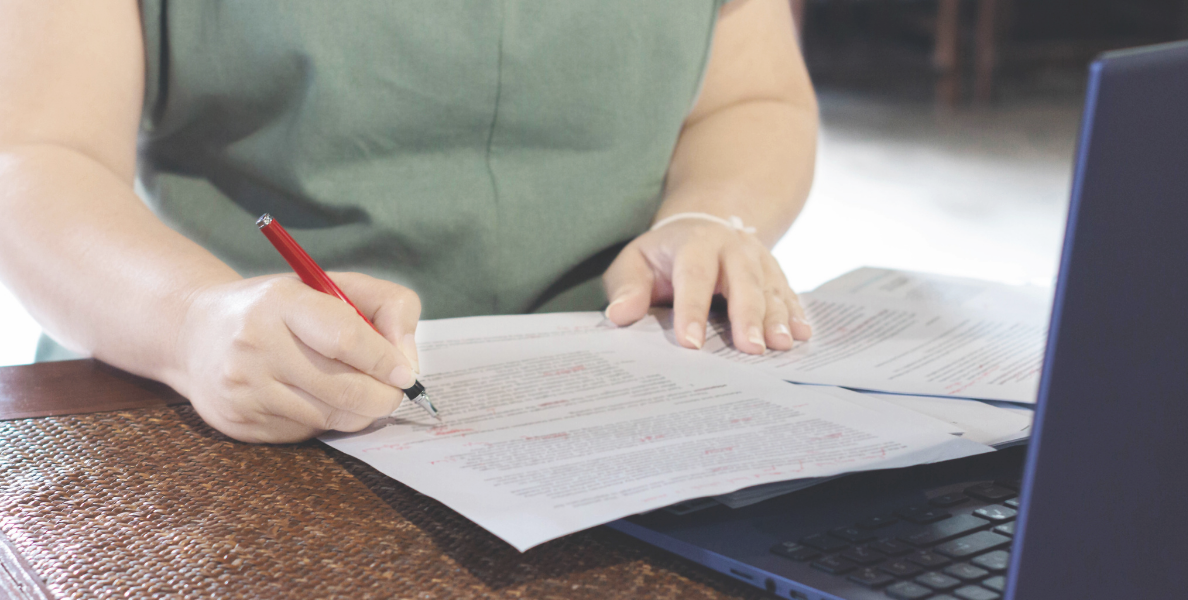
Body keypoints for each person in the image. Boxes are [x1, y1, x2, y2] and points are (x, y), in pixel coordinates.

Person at [0, 0, 818, 443]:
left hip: (625, 390)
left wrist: (713, 211)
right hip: (215, 394)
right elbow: (36, 155)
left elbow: (755, 96)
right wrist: (191, 322)